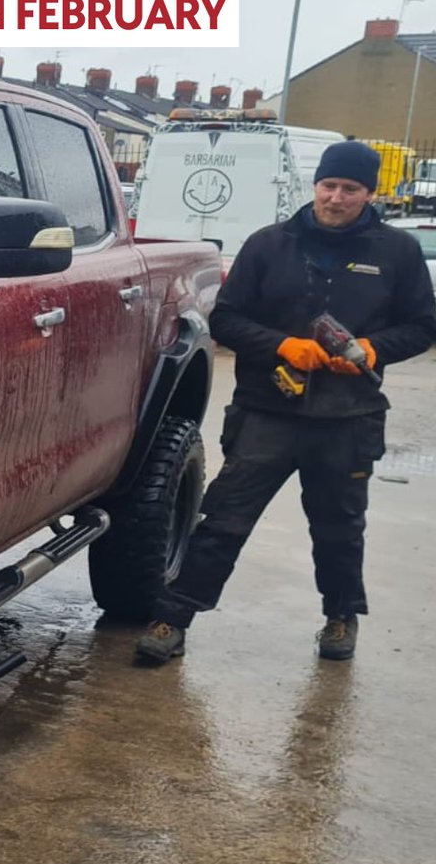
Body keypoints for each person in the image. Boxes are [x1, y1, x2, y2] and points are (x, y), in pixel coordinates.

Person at [136, 140, 436, 664]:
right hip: (267, 411)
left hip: (349, 416)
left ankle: (341, 617)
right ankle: (173, 617)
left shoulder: (397, 253)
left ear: (370, 193)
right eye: (329, 186)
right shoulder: (269, 245)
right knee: (223, 520)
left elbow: (423, 325)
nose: (336, 198)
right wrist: (280, 344)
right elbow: (225, 318)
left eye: (350, 189)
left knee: (340, 528)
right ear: (315, 186)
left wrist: (372, 348)